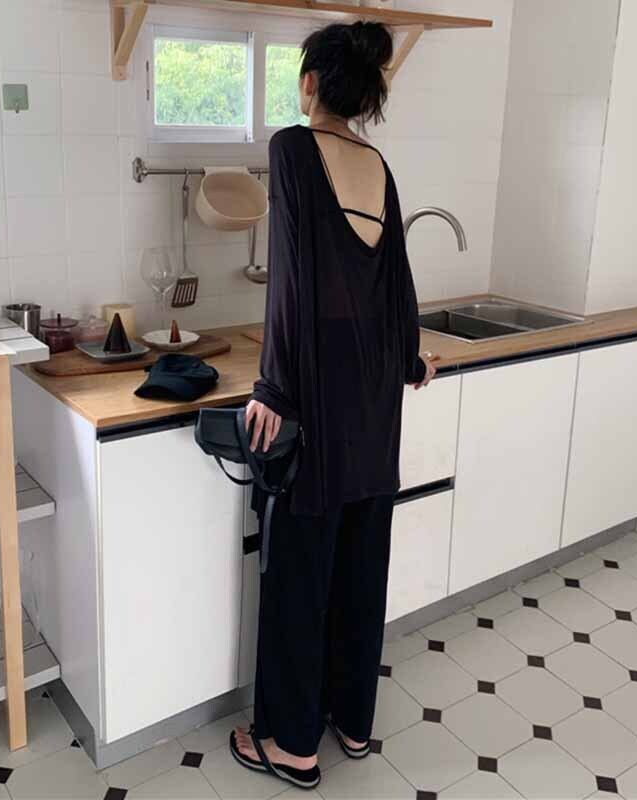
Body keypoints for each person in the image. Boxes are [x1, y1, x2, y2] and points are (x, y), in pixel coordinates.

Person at [230, 19, 436, 791]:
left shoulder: (291, 148)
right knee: (360, 562)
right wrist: (409, 359)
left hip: (315, 394)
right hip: (376, 397)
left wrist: (273, 389)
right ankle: (351, 720)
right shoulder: (377, 163)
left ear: (310, 81)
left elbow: (290, 278)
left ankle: (291, 744)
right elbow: (396, 279)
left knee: (299, 572)